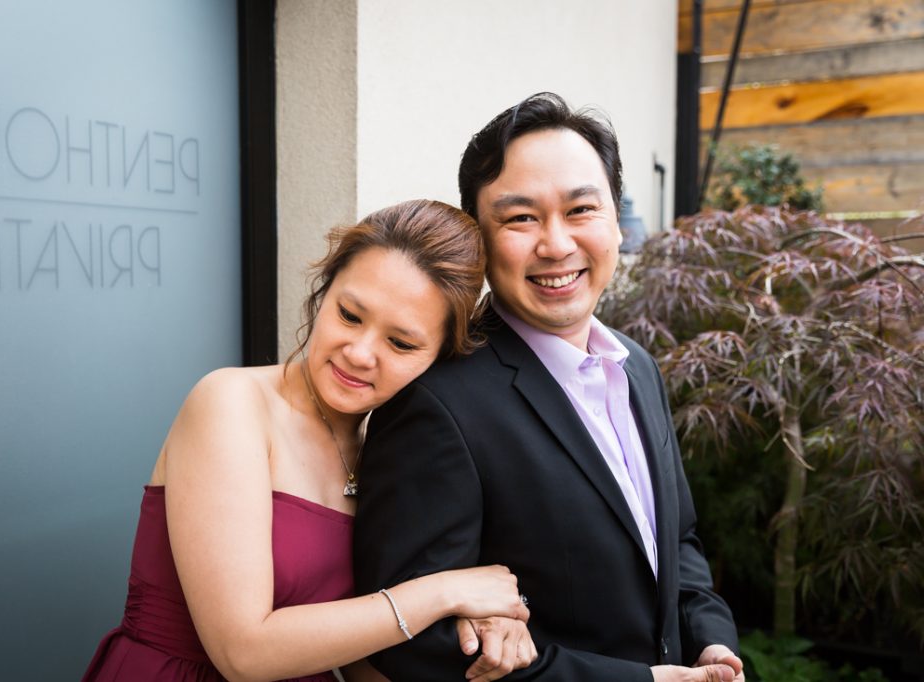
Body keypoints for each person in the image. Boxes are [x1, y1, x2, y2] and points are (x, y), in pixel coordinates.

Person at [353, 93, 745, 681]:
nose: (556, 245)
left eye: (581, 210)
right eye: (520, 218)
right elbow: (414, 645)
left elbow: (676, 540)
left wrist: (711, 643)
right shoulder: (434, 404)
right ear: (480, 240)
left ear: (616, 220)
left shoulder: (636, 365)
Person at [82, 199, 536, 682]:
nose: (360, 354)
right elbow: (242, 652)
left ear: (440, 358)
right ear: (324, 292)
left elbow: (359, 649)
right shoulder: (231, 404)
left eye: (400, 343)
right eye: (349, 315)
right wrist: (444, 593)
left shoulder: (385, 455)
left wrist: (491, 624)